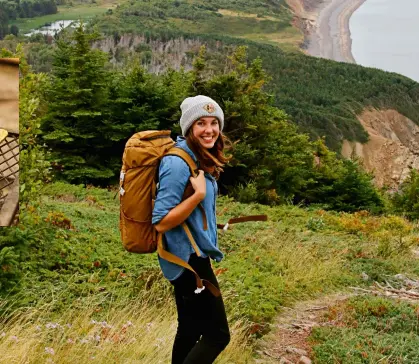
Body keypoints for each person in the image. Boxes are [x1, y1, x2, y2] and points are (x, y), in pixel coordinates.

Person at [152, 95, 231, 364]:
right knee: (218, 336)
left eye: (214, 123)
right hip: (188, 262)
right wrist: (196, 197)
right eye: (201, 123)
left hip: (190, 255)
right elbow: (160, 221)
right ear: (189, 128)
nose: (209, 130)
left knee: (190, 327)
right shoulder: (177, 162)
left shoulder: (197, 157)